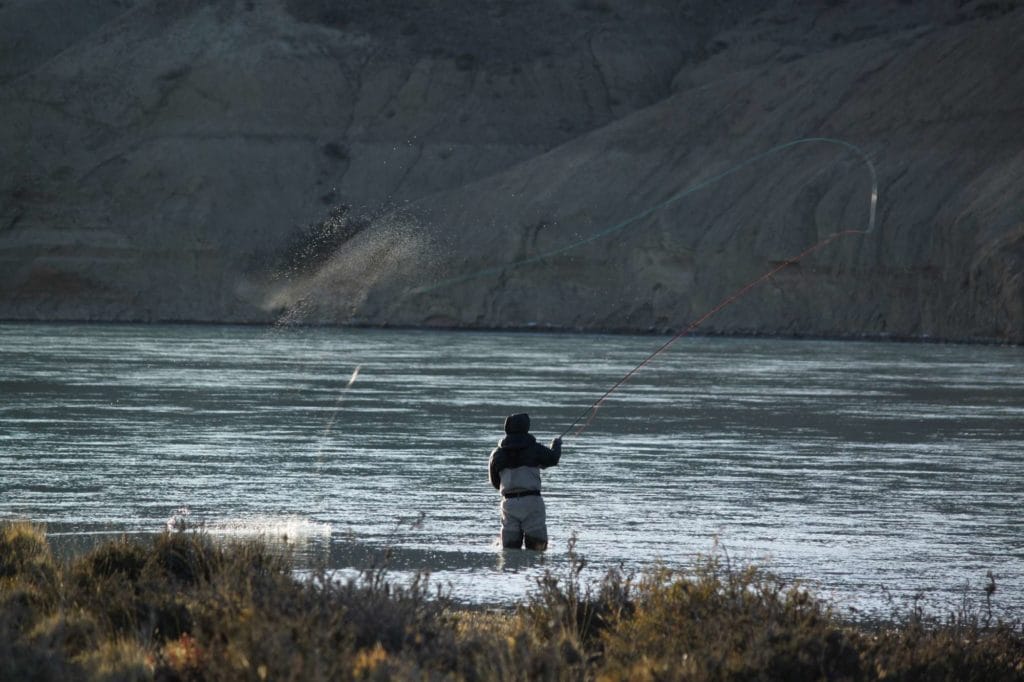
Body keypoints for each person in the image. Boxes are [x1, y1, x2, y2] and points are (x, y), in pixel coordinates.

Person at [488, 413, 562, 550]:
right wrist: (556, 445)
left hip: (509, 504)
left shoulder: (497, 454)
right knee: (537, 551)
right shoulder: (535, 449)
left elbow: (495, 482)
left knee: (509, 552)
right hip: (532, 502)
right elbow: (553, 459)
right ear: (526, 427)